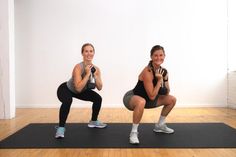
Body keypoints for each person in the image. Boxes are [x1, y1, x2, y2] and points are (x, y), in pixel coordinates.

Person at [123, 45, 176, 144]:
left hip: (149, 101)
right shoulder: (147, 71)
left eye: (161, 55)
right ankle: (133, 133)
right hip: (132, 98)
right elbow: (151, 95)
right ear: (151, 57)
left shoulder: (163, 71)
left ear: (164, 56)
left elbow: (167, 92)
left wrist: (164, 78)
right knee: (141, 101)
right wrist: (159, 80)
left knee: (172, 99)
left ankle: (160, 125)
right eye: (155, 55)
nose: (158, 58)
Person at [55, 43, 107, 139]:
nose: (88, 53)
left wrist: (95, 75)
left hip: (80, 91)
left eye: (91, 51)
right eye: (86, 51)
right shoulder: (78, 67)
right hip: (66, 89)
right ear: (82, 53)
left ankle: (94, 121)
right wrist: (87, 74)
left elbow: (99, 87)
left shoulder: (96, 69)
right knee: (67, 101)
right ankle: (61, 128)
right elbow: (78, 88)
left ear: (94, 53)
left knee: (98, 98)